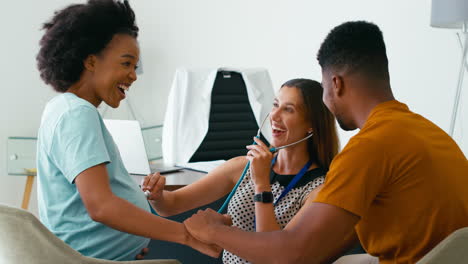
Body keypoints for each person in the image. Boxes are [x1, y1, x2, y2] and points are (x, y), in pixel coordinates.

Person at [182, 21, 468, 264]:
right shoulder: (429, 133)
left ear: (336, 84)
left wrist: (213, 231)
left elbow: (292, 253)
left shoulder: (369, 147)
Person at [35, 0, 218, 261]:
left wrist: (128, 241)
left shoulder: (62, 108)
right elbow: (101, 206)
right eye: (126, 63)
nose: (133, 76)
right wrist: (187, 236)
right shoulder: (77, 114)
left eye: (134, 66)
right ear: (90, 61)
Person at [142, 78, 339, 263]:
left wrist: (261, 184)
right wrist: (157, 195)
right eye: (275, 105)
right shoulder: (243, 166)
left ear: (312, 125)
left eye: (288, 109)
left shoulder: (319, 189)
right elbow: (171, 206)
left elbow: (271, 255)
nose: (274, 116)